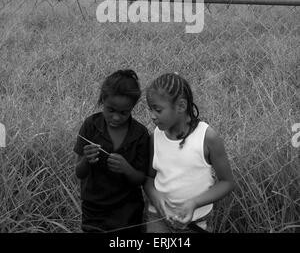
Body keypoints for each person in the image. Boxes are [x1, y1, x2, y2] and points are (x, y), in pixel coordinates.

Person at [144, 72, 235, 233]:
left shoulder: (207, 138)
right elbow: (149, 179)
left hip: (196, 222)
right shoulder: (155, 137)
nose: (152, 116)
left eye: (157, 110)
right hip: (158, 218)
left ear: (181, 106)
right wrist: (155, 197)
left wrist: (194, 203)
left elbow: (227, 183)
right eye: (150, 109)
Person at [74, 69, 150, 233]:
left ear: (133, 107)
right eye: (111, 110)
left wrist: (126, 169)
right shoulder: (91, 126)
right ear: (103, 101)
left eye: (124, 112)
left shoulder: (139, 134)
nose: (116, 117)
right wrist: (87, 159)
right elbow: (79, 172)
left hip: (128, 211)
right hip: (94, 210)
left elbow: (141, 179)